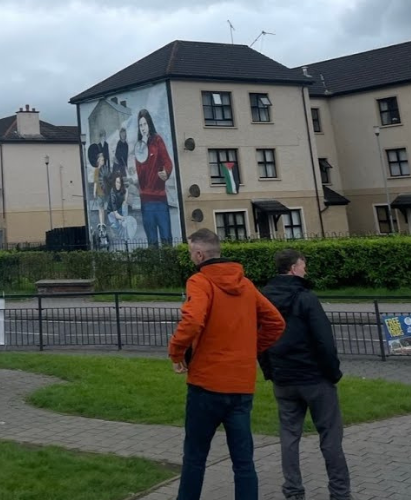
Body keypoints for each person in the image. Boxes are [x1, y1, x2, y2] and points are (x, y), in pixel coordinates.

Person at [168, 229, 285, 500]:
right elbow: (275, 322)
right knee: (243, 462)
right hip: (240, 385)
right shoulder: (246, 285)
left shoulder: (200, 281)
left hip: (206, 384)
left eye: (190, 253)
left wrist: (176, 352)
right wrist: (249, 349)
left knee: (195, 457)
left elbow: (193, 320)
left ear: (199, 255)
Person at [261, 249, 351, 500]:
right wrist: (332, 373)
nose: (305, 270)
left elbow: (259, 337)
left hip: (284, 377)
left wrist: (270, 370)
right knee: (330, 436)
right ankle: (340, 493)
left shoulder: (263, 298)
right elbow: (323, 339)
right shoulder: (307, 298)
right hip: (314, 377)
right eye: (303, 265)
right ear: (293, 268)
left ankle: (293, 490)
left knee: (289, 435)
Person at [134, 109, 173, 246]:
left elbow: (167, 161)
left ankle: (169, 266)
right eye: (140, 125)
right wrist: (143, 149)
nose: (143, 128)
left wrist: (166, 172)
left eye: (145, 124)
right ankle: (155, 267)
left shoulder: (157, 140)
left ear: (149, 124)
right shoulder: (139, 147)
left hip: (161, 198)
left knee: (166, 238)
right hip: (146, 200)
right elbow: (141, 175)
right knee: (152, 241)